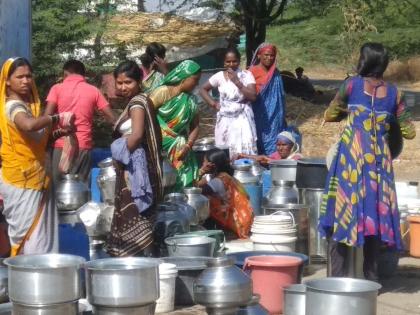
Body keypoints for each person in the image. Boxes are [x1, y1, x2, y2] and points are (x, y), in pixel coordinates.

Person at [319, 43, 416, 280]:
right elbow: (409, 132)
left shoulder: (351, 85)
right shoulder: (395, 93)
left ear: (365, 61)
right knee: (374, 216)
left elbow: (329, 114)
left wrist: (350, 113)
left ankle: (337, 280)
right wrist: (388, 120)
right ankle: (371, 282)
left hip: (351, 160)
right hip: (379, 165)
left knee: (343, 213)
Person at [0, 57, 75, 256]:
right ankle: (29, 280)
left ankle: (44, 279)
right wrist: (57, 117)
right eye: (20, 77)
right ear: (7, 81)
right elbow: (28, 126)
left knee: (41, 237)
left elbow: (38, 138)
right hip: (22, 181)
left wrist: (59, 133)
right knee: (30, 239)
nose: (26, 81)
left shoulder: (27, 107)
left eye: (28, 76)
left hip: (38, 178)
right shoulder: (13, 107)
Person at [107, 60, 163, 257]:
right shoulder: (138, 101)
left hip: (137, 170)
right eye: (119, 83)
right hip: (135, 166)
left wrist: (118, 158)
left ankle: (140, 264)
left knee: (138, 216)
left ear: (139, 81)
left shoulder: (138, 103)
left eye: (128, 82)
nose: (123, 87)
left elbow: (137, 135)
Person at [45, 59, 116, 186]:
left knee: (58, 190)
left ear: (66, 73)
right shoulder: (93, 91)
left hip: (61, 146)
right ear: (83, 74)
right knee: (81, 189)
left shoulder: (57, 89)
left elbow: (47, 117)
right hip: (83, 146)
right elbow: (112, 118)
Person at [149, 60, 201, 190]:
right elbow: (147, 116)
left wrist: (188, 146)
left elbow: (195, 126)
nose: (197, 84)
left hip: (181, 151)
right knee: (163, 182)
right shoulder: (162, 92)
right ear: (184, 77)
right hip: (160, 147)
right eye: (194, 79)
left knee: (182, 184)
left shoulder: (192, 101)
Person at [200, 47, 257, 156]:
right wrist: (214, 103)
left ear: (239, 61)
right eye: (228, 61)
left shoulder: (246, 75)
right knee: (225, 148)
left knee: (243, 149)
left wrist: (237, 82)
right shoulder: (219, 76)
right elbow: (202, 90)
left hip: (242, 118)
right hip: (225, 119)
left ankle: (244, 170)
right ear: (224, 62)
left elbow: (253, 97)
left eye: (234, 61)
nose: (231, 64)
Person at [197, 148, 253, 239]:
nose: (203, 164)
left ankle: (223, 231)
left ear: (212, 165)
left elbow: (196, 191)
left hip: (237, 221)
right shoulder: (216, 176)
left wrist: (201, 171)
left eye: (204, 162)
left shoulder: (220, 180)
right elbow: (196, 184)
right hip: (241, 218)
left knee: (204, 200)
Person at [249, 43, 286, 155]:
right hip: (258, 113)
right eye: (266, 55)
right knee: (258, 140)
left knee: (274, 141)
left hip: (275, 117)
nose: (269, 58)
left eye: (272, 55)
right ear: (259, 55)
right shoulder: (251, 72)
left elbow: (280, 98)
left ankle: (272, 164)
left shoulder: (276, 74)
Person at [238, 130, 302, 164]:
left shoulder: (297, 158)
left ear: (292, 146)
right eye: (278, 145)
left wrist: (271, 161)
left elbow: (288, 164)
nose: (280, 148)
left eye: (284, 145)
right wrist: (244, 156)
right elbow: (263, 159)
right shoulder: (277, 155)